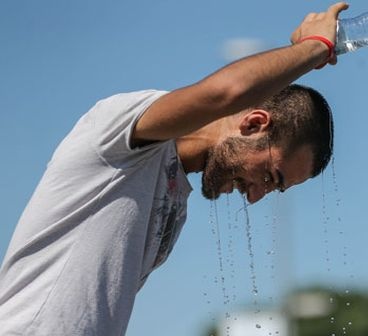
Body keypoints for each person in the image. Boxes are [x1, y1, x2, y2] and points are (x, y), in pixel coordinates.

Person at [0, 2, 349, 335]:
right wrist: (315, 47)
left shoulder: (174, 202)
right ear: (254, 124)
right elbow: (225, 93)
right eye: (270, 177)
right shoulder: (120, 133)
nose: (255, 196)